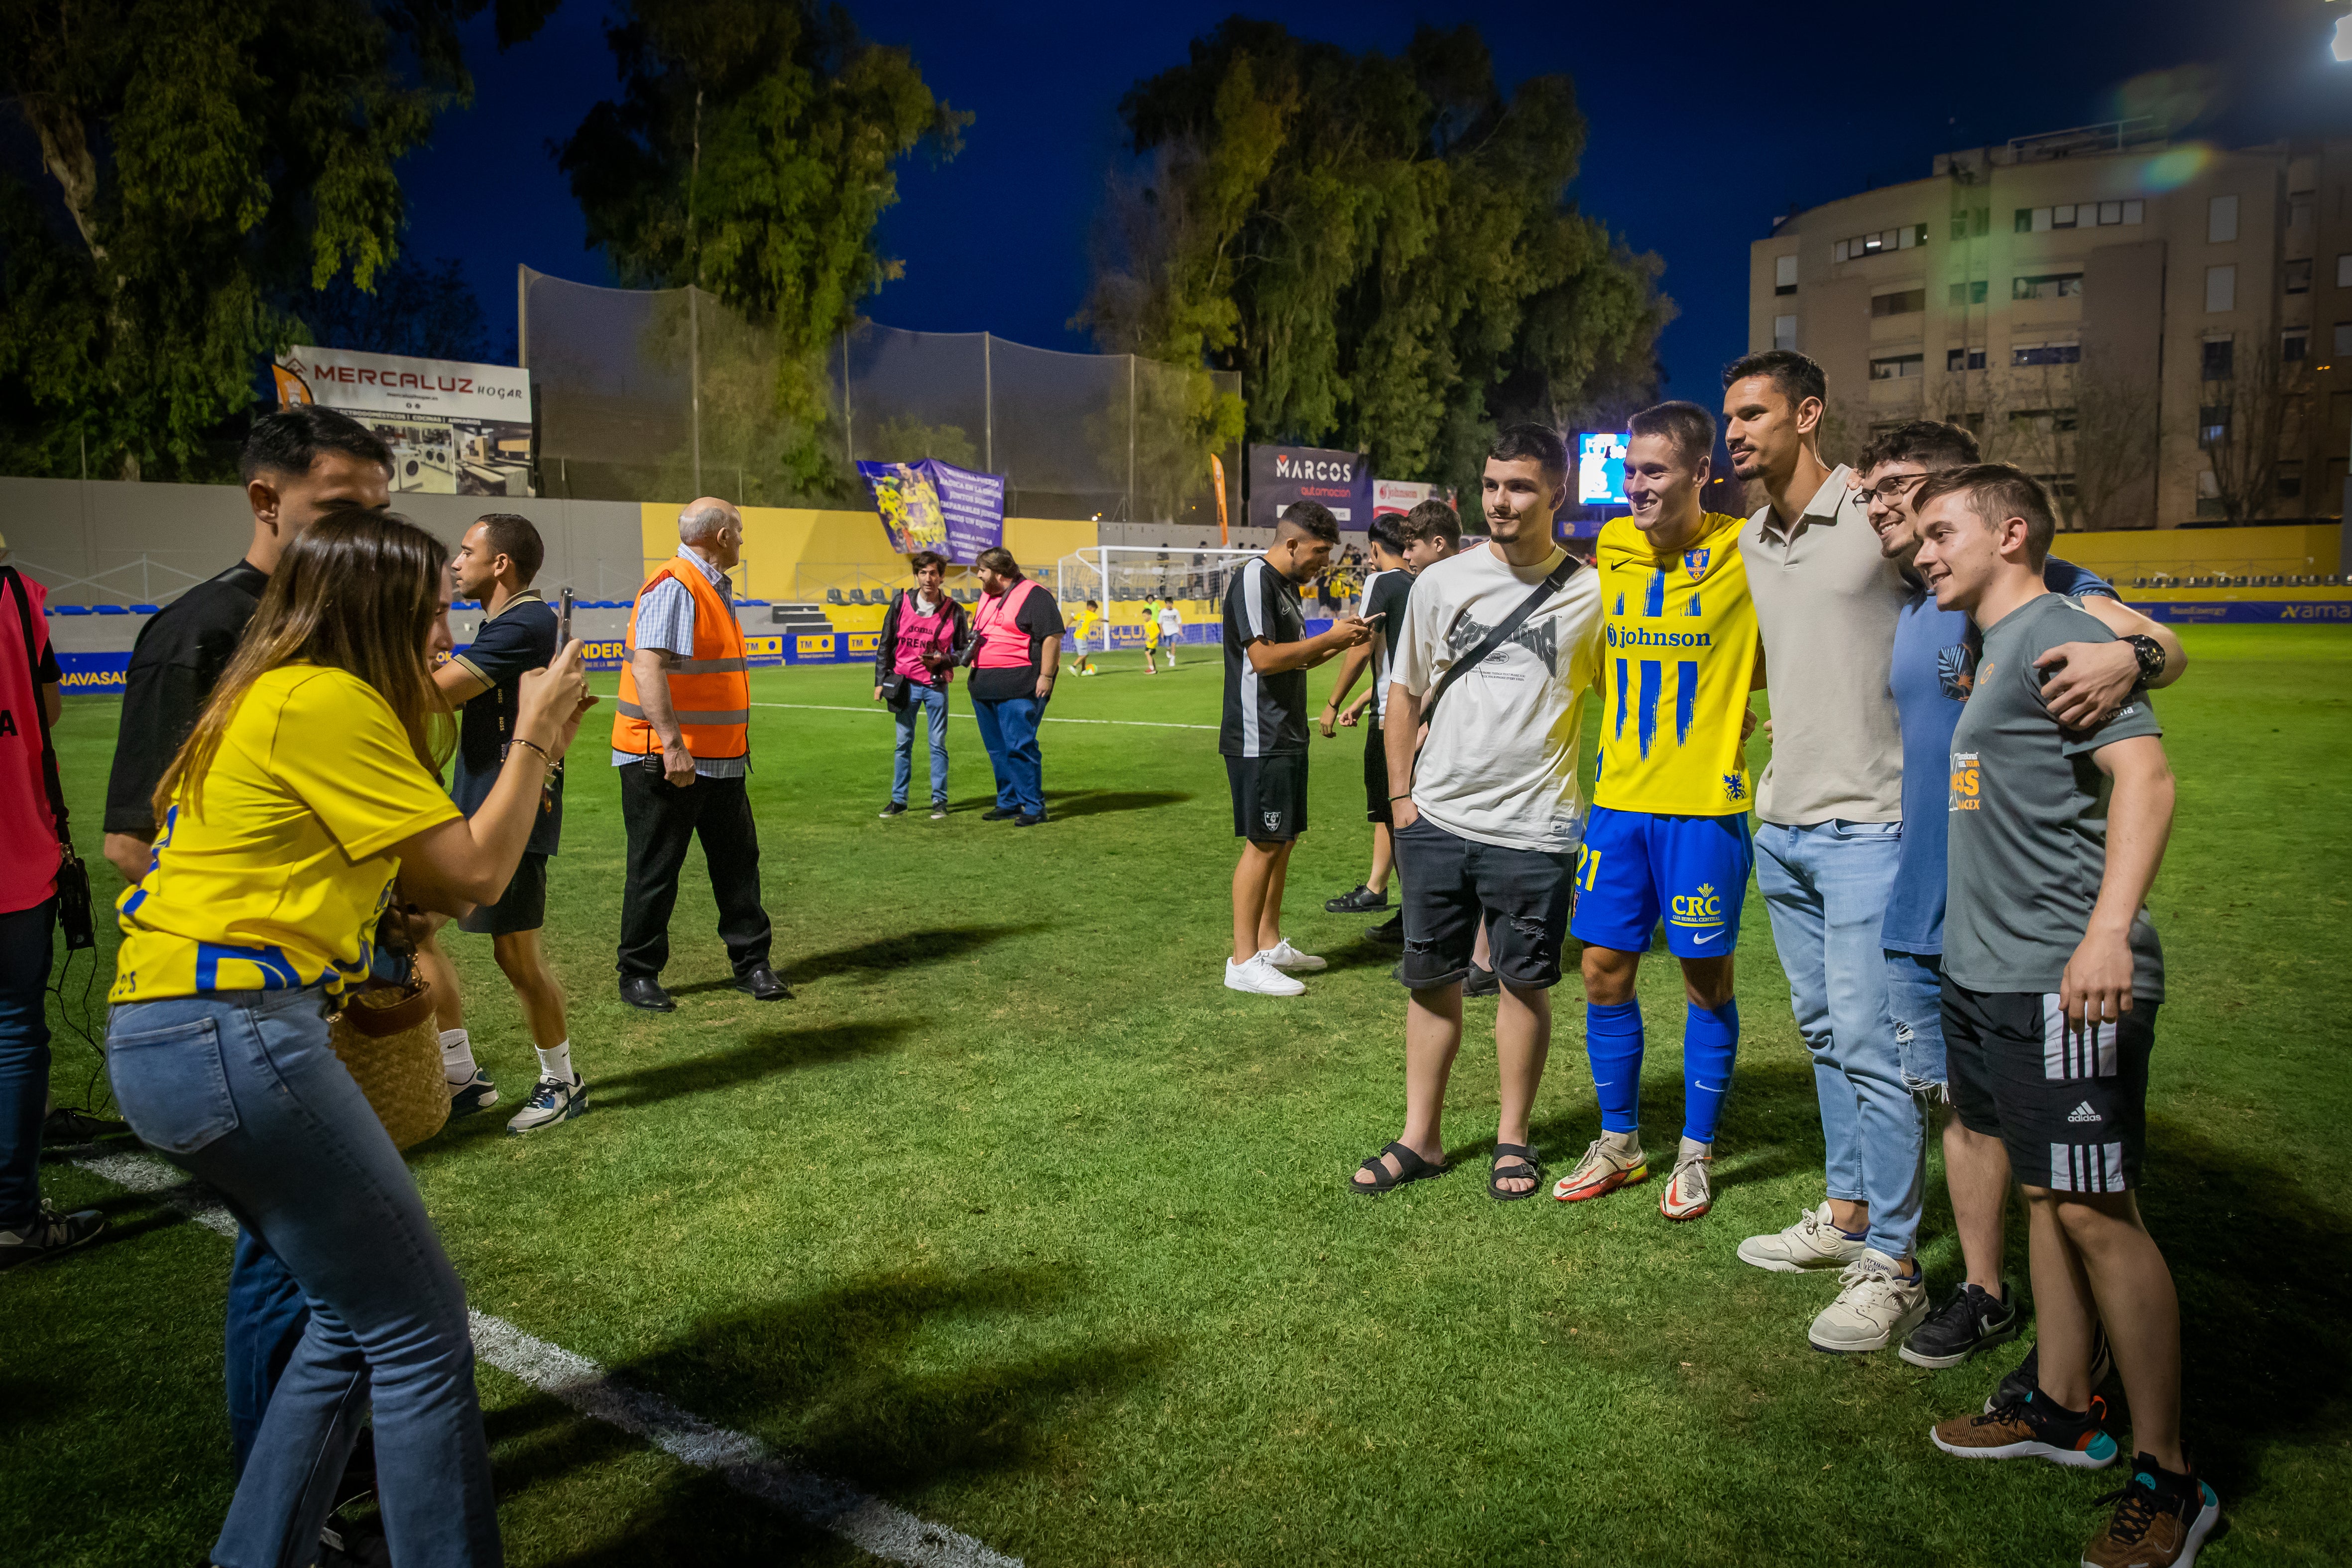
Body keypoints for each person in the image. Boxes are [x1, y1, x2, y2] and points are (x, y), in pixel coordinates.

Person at [104, 508, 594, 1568]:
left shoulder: (272, 690)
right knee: (419, 1330)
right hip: (233, 1034)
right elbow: (471, 876)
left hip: (172, 1032)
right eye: (431, 606)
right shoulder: (328, 700)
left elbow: (379, 877)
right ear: (377, 609)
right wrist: (538, 729)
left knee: (344, 1315)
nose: (444, 627)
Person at [1911, 465, 2217, 1568]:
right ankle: (2057, 1405)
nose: (1921, 548)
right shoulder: (1991, 646)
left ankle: (2170, 1474)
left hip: (2062, 976)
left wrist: (2105, 933)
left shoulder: (2058, 632)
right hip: (1986, 972)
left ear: (2012, 530)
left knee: (2095, 1207)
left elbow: (2147, 779)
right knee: (2046, 1191)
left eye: (1941, 530)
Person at [1841, 423, 2188, 1371]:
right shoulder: (1932, 605)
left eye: (1923, 508)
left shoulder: (2053, 603)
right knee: (1994, 1139)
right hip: (1946, 931)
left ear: (1993, 525)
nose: (1904, 524)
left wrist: (2141, 653)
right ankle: (2016, 1331)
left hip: (2047, 944)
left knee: (2082, 1194)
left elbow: (2145, 697)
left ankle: (2145, 1436)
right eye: (1882, 500)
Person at [97, 406, 392, 1475]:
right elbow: (138, 839)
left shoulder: (334, 622)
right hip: (238, 1008)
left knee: (333, 1255)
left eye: (379, 507)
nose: (365, 528)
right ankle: (294, 1482)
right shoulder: (204, 630)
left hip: (316, 989)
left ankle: (321, 1463)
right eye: (340, 506)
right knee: (287, 1255)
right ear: (267, 500)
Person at [1720, 350, 1926, 1353]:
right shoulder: (1755, 536)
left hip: (1872, 825)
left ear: (1809, 413)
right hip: (1785, 823)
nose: (1735, 432)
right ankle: (1847, 1215)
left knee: (1874, 1042)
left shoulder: (1876, 509)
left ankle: (1895, 1258)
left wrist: (2129, 640)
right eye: (1728, 417)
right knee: (1821, 1030)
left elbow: (2019, 571)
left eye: (1753, 413)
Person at [1349, 425, 1604, 1199]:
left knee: (1525, 984)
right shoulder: (1441, 583)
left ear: (1557, 494)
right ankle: (1420, 1136)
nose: (1501, 500)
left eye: (1520, 486)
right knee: (1432, 982)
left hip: (1537, 826)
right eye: (1492, 484)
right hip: (1438, 819)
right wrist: (1401, 802)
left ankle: (1513, 1138)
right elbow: (1403, 695)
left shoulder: (1596, 592)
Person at [1552, 400, 1762, 1223]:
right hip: (1617, 804)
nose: (1634, 485)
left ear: (1699, 474)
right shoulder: (1608, 546)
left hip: (1703, 807)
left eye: (1653, 471)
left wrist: (1742, 693)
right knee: (1602, 971)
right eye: (1628, 470)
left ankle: (1696, 1151)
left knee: (1705, 980)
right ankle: (1619, 1140)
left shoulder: (1745, 547)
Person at [412, 512, 588, 1134]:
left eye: (466, 552)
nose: (456, 564)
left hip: (512, 813)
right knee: (412, 927)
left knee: (516, 956)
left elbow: (438, 694)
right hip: (478, 807)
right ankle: (460, 1074)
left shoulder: (526, 622)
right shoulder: (507, 623)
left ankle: (562, 1081)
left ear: (500, 563)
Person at [613, 498, 789, 1011]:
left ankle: (752, 963)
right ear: (720, 537)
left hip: (720, 760)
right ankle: (638, 972)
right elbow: (648, 668)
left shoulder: (705, 586)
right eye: (738, 529)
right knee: (655, 868)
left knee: (738, 866)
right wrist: (672, 746)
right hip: (669, 762)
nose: (741, 537)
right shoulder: (676, 584)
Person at [0, 551, 104, 1269]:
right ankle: (12, 1216)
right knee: (12, 1027)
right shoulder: (12, 591)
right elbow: (46, 706)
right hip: (11, 847)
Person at [1220, 501, 1369, 996]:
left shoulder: (1285, 588)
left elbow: (1294, 662)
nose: (1323, 562)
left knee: (1281, 839)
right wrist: (1329, 636)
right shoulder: (1253, 577)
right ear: (1291, 543)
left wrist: (1341, 640)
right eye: (1319, 551)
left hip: (1285, 732)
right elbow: (1262, 660)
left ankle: (1267, 944)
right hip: (1257, 734)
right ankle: (1242, 961)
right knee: (1263, 842)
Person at [1318, 511, 1411, 920]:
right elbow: (1407, 662)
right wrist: (1361, 700)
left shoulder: (1381, 581)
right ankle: (1377, 887)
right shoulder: (1422, 583)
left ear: (1375, 549)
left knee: (1395, 812)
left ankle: (1413, 912)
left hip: (1391, 719)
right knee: (1390, 810)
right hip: (1418, 711)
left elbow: (1361, 646)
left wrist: (1335, 701)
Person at [966, 546, 1062, 826]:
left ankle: (1033, 807)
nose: (979, 576)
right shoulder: (986, 596)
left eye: (982, 571)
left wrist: (1046, 676)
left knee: (1020, 746)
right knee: (997, 750)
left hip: (1020, 686)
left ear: (998, 573)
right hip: (984, 685)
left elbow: (1052, 637)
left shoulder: (1035, 595)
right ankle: (1008, 802)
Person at [873, 551, 968, 820]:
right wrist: (880, 682)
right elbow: (886, 644)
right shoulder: (899, 603)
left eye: (934, 573)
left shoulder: (955, 611)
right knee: (903, 744)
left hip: (936, 685)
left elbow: (963, 653)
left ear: (941, 577)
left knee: (938, 744)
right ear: (916, 575)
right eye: (923, 573)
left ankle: (939, 801)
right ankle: (898, 800)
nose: (929, 578)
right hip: (904, 685)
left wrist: (944, 659)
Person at [1072, 598, 1104, 676]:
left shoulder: (1082, 614)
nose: (1095, 611)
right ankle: (1074, 666)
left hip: (1077, 635)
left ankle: (1083, 670)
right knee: (1084, 655)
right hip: (1082, 637)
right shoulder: (1090, 614)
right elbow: (1099, 619)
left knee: (1084, 654)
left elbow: (1073, 618)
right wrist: (1107, 620)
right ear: (1091, 608)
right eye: (1095, 609)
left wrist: (1066, 626)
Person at [1157, 595, 1185, 666]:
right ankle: (1167, 650)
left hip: (1174, 631)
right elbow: (1160, 623)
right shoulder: (1163, 612)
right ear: (1165, 604)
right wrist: (1162, 632)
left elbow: (1179, 621)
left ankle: (1172, 660)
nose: (1169, 605)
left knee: (1173, 645)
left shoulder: (1176, 612)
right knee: (1167, 645)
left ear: (1172, 604)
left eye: (1170, 603)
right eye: (1167, 603)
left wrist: (1180, 631)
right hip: (1166, 632)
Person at [1142, 592, 1165, 675]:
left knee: (1148, 653)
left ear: (1149, 616)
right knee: (1149, 654)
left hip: (1153, 642)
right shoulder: (1147, 624)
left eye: (1145, 616)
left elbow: (1158, 632)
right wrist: (1146, 635)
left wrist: (1152, 639)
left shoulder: (1153, 623)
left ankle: (1151, 668)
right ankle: (1154, 669)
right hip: (1149, 642)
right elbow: (1148, 632)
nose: (1144, 618)